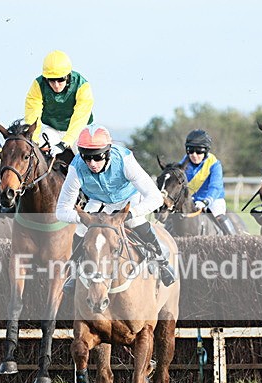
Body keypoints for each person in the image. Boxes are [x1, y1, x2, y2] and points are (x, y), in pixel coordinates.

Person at [56, 125, 176, 296]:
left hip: (128, 198)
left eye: (97, 158)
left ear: (108, 152)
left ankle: (162, 262)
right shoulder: (76, 168)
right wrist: (86, 218)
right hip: (98, 203)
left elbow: (156, 198)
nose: (92, 164)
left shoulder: (125, 159)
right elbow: (61, 211)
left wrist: (131, 213)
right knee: (82, 228)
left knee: (135, 221)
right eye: (87, 158)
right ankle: (74, 273)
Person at [24, 50, 94, 159]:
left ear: (68, 75)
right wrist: (34, 140)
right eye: (51, 80)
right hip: (53, 130)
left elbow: (80, 117)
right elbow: (33, 115)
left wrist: (65, 143)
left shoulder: (82, 85)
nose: (56, 85)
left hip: (78, 130)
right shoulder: (38, 85)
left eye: (61, 80)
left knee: (89, 156)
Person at [180, 129, 237, 235]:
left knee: (219, 215)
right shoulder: (183, 163)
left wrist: (205, 201)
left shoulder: (215, 164)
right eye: (190, 150)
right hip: (190, 200)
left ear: (205, 151)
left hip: (212, 200)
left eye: (199, 151)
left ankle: (233, 241)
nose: (194, 155)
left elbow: (215, 187)